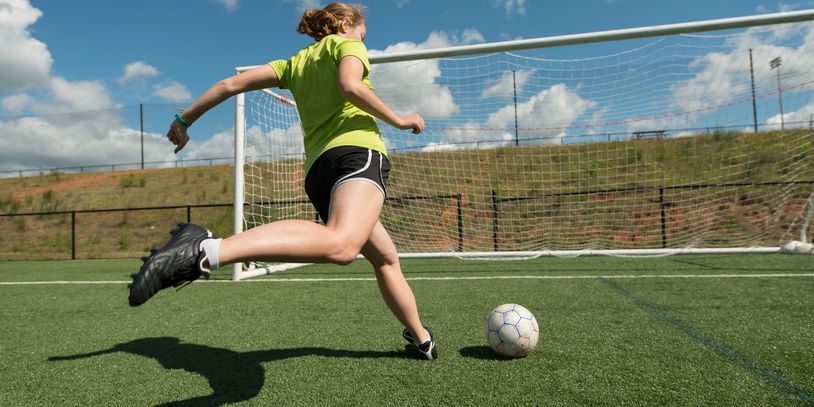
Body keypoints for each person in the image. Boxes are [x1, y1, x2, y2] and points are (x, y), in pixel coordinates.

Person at [128, 2, 437, 360]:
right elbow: (350, 85)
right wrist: (399, 119)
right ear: (345, 23)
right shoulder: (348, 44)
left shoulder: (295, 64)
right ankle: (206, 250)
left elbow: (231, 84)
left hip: (321, 172)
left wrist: (184, 120)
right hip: (357, 155)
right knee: (342, 246)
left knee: (385, 258)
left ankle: (421, 337)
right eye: (362, 32)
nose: (362, 38)